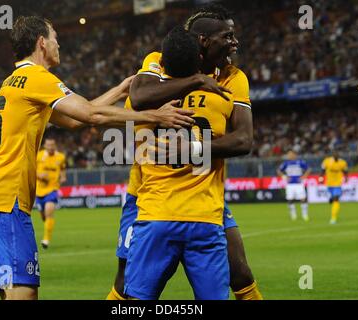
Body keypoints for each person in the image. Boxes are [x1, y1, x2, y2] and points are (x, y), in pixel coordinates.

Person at [0, 16, 194, 300]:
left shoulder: (13, 82)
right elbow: (91, 114)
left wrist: (121, 90)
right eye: (55, 37)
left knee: (13, 294)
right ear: (41, 42)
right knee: (23, 295)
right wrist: (155, 115)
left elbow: (77, 121)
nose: (58, 44)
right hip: (5, 201)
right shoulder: (37, 78)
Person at [107, 4, 262, 301]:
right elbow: (138, 97)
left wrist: (194, 148)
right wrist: (196, 81)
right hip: (147, 196)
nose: (235, 43)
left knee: (240, 271)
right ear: (203, 41)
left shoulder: (232, 77)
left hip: (204, 197)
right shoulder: (158, 62)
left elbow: (244, 140)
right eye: (227, 36)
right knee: (126, 280)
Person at [124, 26, 236, 300]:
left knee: (136, 302)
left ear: (162, 62)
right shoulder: (217, 99)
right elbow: (239, 141)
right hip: (204, 217)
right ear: (200, 59)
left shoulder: (139, 104)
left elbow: (134, 108)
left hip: (156, 215)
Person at [35, 137, 66, 249]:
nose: (50, 147)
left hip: (53, 189)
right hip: (39, 191)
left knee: (49, 212)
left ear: (55, 145)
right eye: (48, 145)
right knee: (43, 216)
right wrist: (39, 175)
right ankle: (47, 227)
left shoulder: (60, 157)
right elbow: (31, 169)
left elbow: (62, 169)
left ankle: (46, 240)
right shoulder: (39, 155)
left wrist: (63, 177)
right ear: (45, 145)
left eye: (52, 145)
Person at [277, 150, 311, 221]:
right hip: (290, 185)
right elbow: (279, 171)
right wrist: (284, 177)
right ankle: (293, 215)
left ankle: (305, 215)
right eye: (288, 154)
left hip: (299, 184)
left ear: (295, 155)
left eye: (291, 154)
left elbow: (308, 169)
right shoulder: (286, 163)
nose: (289, 156)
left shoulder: (300, 162)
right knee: (290, 200)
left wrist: (304, 176)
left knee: (303, 199)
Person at [320, 151, 348, 224]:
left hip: (338, 184)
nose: (336, 155)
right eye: (335, 154)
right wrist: (321, 178)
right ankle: (331, 198)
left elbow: (345, 171)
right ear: (332, 155)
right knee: (333, 199)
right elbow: (322, 170)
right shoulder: (326, 161)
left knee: (336, 198)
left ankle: (333, 218)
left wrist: (346, 178)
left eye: (337, 154)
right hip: (329, 183)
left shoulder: (342, 162)